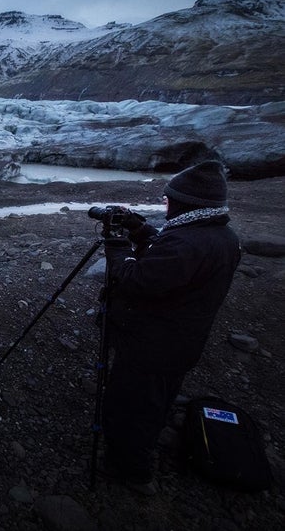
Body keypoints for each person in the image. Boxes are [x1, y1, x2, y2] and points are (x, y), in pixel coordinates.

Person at [101, 160, 241, 494]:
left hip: (152, 344)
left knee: (132, 406)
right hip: (181, 340)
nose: (166, 203)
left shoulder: (187, 243)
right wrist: (140, 231)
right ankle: (143, 444)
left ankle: (132, 470)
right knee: (157, 399)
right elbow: (175, 263)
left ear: (187, 203)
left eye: (169, 198)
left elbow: (139, 281)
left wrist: (119, 249)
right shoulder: (219, 234)